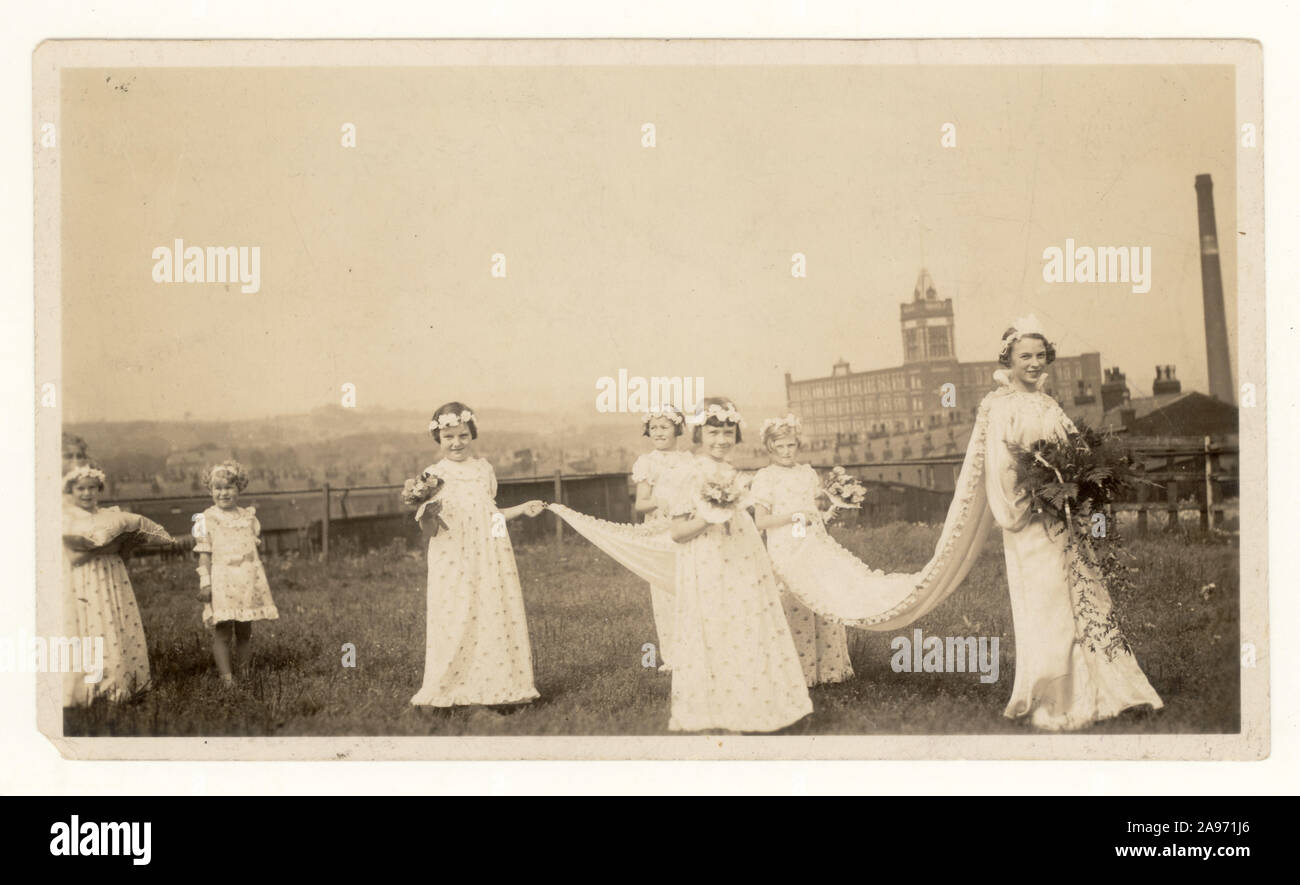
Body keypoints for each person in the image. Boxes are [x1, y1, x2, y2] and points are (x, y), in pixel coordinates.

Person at [664, 397, 812, 732]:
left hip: (743, 558)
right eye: (714, 432)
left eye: (728, 432)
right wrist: (708, 518)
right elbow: (676, 532)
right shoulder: (685, 473)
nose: (721, 440)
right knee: (717, 627)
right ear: (699, 433)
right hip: (707, 561)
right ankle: (717, 709)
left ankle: (753, 703)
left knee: (746, 623)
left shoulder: (731, 472)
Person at [410, 402, 547, 709]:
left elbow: (491, 515)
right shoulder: (433, 475)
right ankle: (447, 688)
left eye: (462, 435)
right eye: (449, 437)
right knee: (456, 615)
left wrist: (522, 511)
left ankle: (497, 687)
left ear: (472, 434)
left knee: (491, 614)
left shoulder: (483, 470)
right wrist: (424, 512)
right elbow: (428, 527)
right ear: (438, 439)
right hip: (452, 556)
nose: (456, 443)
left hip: (489, 553)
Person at [749, 414, 854, 686]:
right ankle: (798, 674)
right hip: (784, 545)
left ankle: (829, 671)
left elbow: (814, 512)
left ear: (798, 445)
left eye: (790, 445)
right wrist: (794, 516)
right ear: (770, 447)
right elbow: (760, 521)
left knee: (821, 598)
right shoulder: (765, 477)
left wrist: (828, 513)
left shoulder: (807, 474)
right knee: (794, 602)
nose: (785, 452)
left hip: (811, 543)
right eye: (779, 446)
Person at [61, 463, 156, 705]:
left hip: (113, 577)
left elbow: (122, 556)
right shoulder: (70, 520)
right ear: (71, 491)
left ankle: (124, 680)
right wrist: (104, 547)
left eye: (92, 488)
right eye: (81, 488)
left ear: (99, 489)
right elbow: (74, 557)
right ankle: (101, 686)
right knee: (95, 624)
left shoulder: (110, 517)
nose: (87, 493)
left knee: (117, 622)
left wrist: (125, 545)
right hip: (87, 578)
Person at [193, 460, 279, 684]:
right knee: (222, 631)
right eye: (218, 488)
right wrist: (205, 583)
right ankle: (228, 679)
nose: (223, 493)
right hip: (222, 579)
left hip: (246, 580)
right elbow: (204, 554)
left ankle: (246, 673)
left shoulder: (249, 518)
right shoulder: (207, 519)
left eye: (229, 487)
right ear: (210, 490)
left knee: (244, 631)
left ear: (239, 488)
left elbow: (251, 550)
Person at [629, 405, 695, 671]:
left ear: (677, 429)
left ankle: (696, 651)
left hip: (687, 529)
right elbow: (640, 504)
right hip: (660, 534)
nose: (658, 432)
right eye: (654, 427)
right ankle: (673, 657)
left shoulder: (689, 461)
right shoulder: (647, 462)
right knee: (666, 596)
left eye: (664, 427)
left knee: (690, 591)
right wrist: (662, 501)